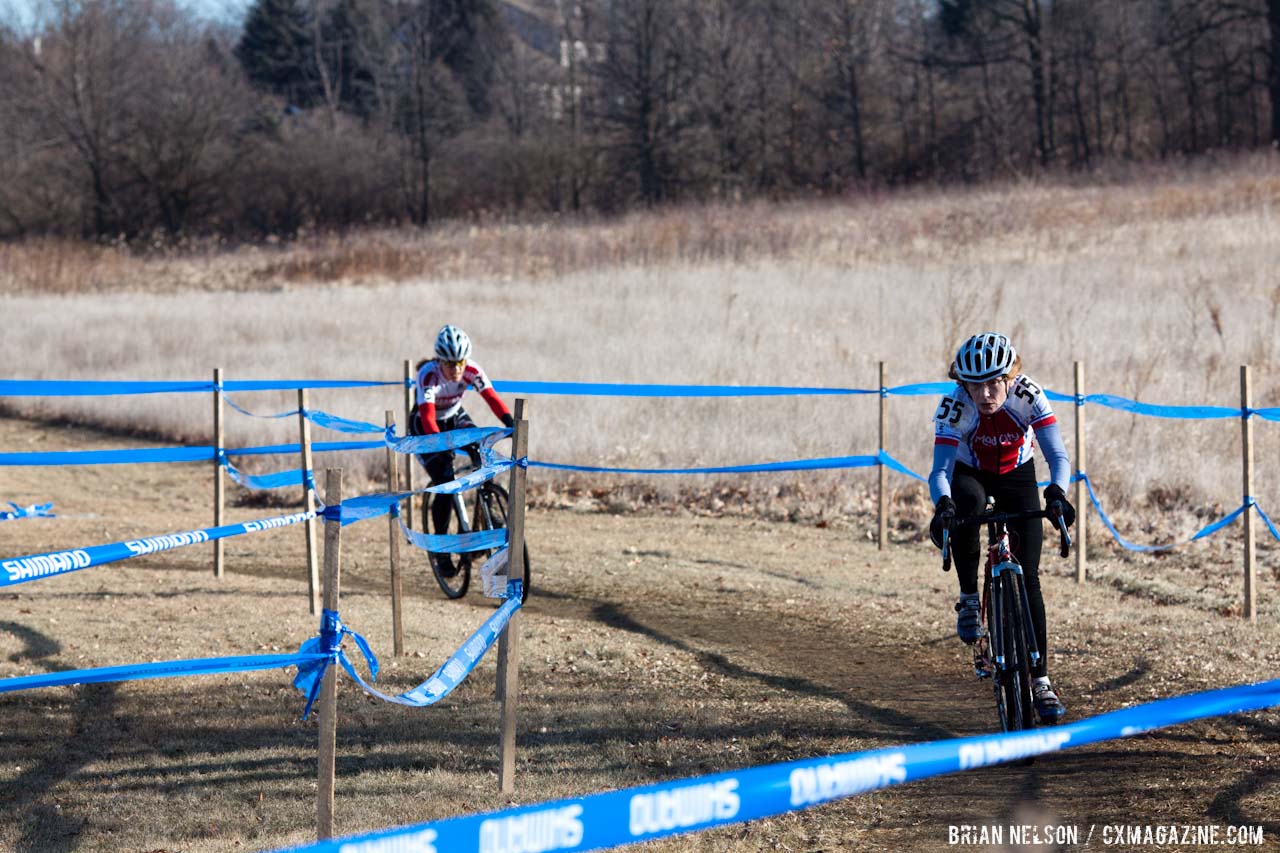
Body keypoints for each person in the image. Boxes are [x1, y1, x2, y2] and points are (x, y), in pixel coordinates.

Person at [927, 332, 1076, 724]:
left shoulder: (1029, 396)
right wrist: (943, 506)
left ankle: (1041, 680)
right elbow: (940, 471)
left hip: (1017, 475)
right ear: (964, 385)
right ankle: (970, 599)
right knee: (967, 506)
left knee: (1029, 578)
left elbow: (1057, 454)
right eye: (977, 385)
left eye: (995, 382)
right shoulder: (954, 408)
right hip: (969, 473)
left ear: (1010, 378)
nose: (987, 393)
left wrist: (1057, 493)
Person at [412, 324, 515, 578]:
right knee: (445, 482)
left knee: (482, 451)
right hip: (427, 426)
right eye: (451, 364)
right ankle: (441, 550)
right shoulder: (428, 375)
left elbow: (491, 397)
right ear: (439, 361)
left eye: (461, 362)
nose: (457, 369)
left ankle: (487, 508)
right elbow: (427, 416)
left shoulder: (471, 369)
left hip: (454, 417)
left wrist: (511, 423)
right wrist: (439, 443)